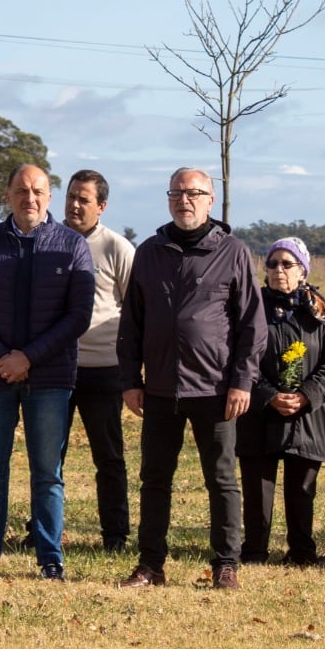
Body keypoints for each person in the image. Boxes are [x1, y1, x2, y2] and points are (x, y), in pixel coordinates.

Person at [116, 167, 266, 591]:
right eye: (177, 193)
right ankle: (150, 566)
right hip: (161, 388)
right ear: (168, 199)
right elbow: (132, 323)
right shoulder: (148, 252)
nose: (185, 200)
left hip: (216, 390)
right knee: (155, 479)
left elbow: (252, 325)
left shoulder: (233, 251)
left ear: (210, 200)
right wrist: (131, 379)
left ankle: (225, 565)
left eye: (194, 193)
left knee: (220, 480)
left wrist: (242, 381)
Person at [0, 165, 94, 581]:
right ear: (8, 195)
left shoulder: (71, 246)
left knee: (48, 473)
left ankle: (50, 559)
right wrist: (2, 357)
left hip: (49, 379)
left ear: (49, 197)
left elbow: (78, 315)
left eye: (37, 191)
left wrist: (28, 358)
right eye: (20, 190)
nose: (28, 198)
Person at [236, 238, 325, 567]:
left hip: (307, 416)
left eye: (287, 264)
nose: (278, 270)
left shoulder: (321, 312)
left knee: (302, 488)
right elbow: (240, 357)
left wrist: (306, 395)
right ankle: (254, 550)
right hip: (259, 412)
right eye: (272, 264)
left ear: (303, 271)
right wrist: (268, 395)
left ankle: (302, 552)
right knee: (258, 488)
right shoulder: (250, 306)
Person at [60, 168, 134, 553]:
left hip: (104, 369)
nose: (74, 205)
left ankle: (115, 534)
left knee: (108, 456)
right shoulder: (49, 241)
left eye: (83, 199)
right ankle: (42, 528)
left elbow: (137, 308)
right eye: (71, 196)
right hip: (55, 367)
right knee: (48, 456)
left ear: (101, 206)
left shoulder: (117, 248)